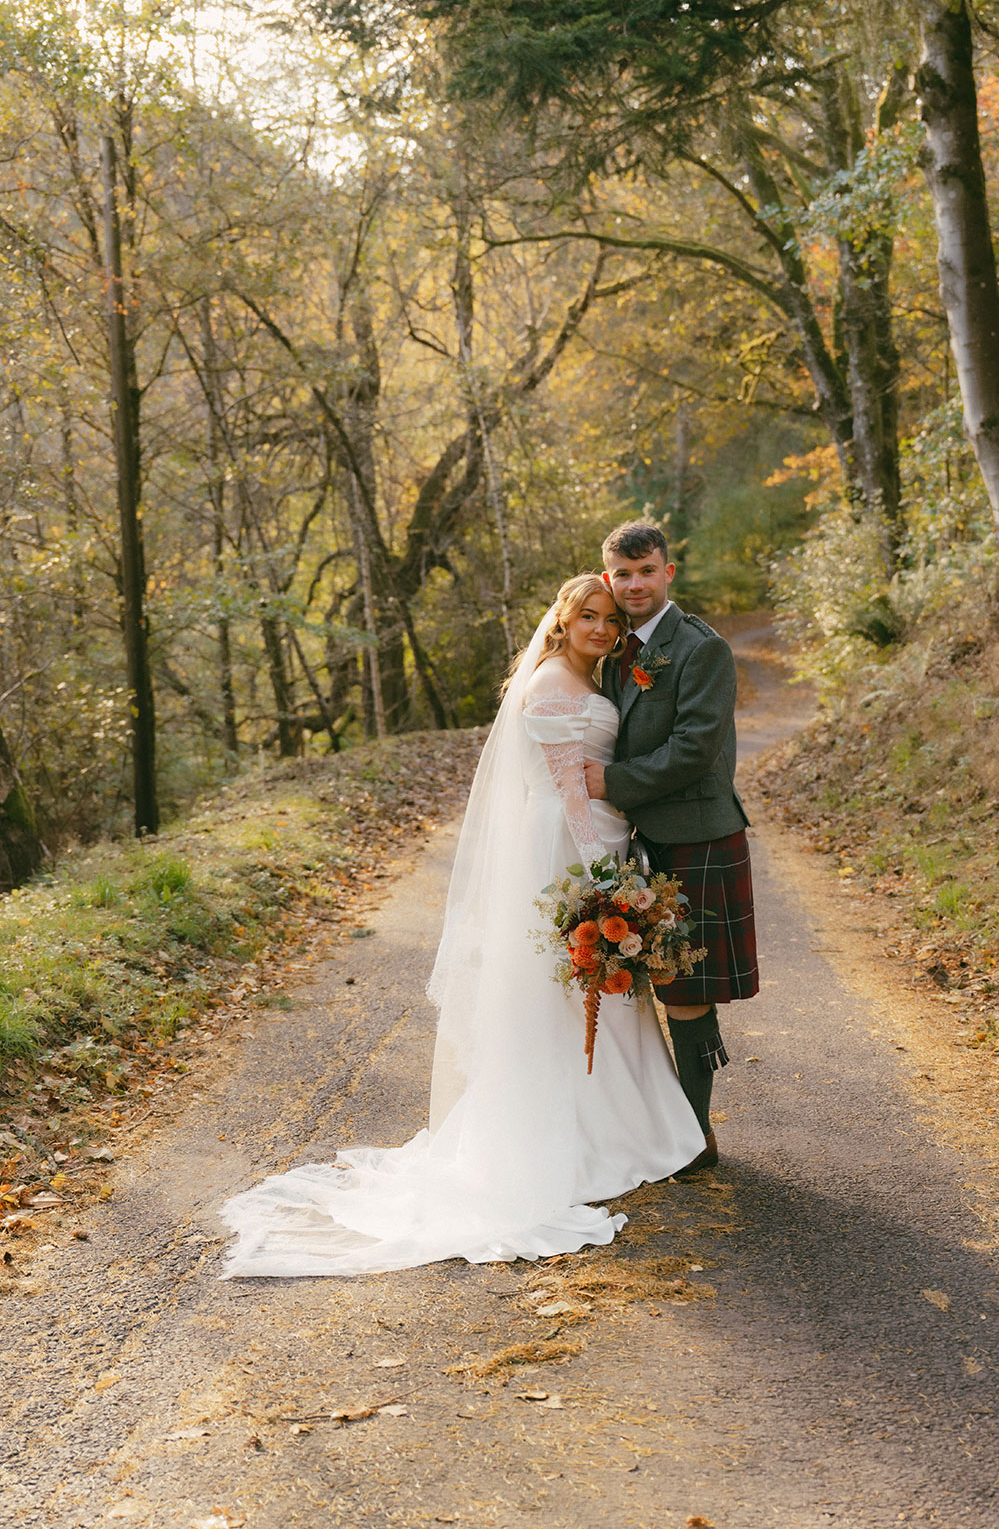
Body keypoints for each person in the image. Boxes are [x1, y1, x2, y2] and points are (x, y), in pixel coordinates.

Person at [220, 575, 704, 1277]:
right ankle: (588, 1132)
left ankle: (624, 1122)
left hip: (595, 839)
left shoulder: (583, 676)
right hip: (570, 847)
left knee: (589, 986)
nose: (600, 627)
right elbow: (570, 791)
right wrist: (603, 879)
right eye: (586, 616)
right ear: (561, 622)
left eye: (607, 618)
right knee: (569, 987)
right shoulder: (552, 687)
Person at [587, 521, 758, 1175]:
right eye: (622, 575)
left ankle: (694, 1137)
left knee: (684, 984)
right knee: (659, 977)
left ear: (668, 574)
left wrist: (613, 782)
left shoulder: (699, 649)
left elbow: (695, 748)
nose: (634, 584)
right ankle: (675, 1131)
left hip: (699, 835)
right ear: (609, 578)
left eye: (646, 571)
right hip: (644, 839)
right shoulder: (615, 649)